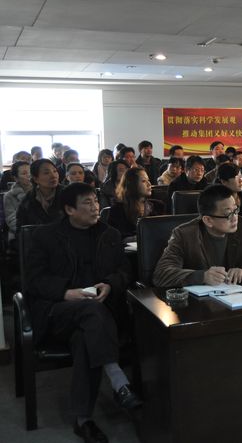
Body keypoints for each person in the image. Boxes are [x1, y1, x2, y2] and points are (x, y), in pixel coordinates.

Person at [25, 182, 140, 443]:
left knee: (85, 338)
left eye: (96, 201)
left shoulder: (109, 234)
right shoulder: (45, 236)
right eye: (87, 203)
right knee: (91, 312)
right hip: (58, 312)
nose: (95, 207)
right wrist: (66, 293)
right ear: (69, 209)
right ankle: (118, 378)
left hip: (98, 317)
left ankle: (83, 419)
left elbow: (125, 271)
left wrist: (110, 284)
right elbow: (34, 280)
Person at [153, 184, 242, 287]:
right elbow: (161, 274)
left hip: (240, 299)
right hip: (199, 305)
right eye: (228, 214)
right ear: (208, 220)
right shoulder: (185, 234)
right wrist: (202, 276)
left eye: (236, 210)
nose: (235, 218)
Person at [107, 167, 165, 239]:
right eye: (143, 181)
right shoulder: (117, 210)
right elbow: (116, 238)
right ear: (132, 184)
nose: (149, 184)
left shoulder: (158, 206)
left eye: (148, 180)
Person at [16, 159, 65, 229]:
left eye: (55, 171)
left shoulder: (67, 193)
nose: (53, 176)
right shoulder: (28, 200)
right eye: (46, 173)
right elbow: (21, 227)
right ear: (35, 179)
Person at [3, 160, 32, 247]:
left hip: (42, 231)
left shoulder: (41, 190)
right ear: (16, 178)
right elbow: (12, 221)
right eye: (24, 173)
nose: (29, 175)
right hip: (20, 233)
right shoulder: (9, 196)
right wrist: (30, 230)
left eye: (31, 172)